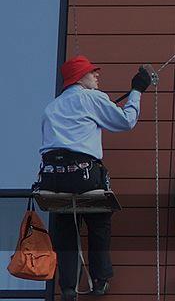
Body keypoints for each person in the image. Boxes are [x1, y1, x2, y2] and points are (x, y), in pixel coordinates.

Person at [34, 56, 152, 300]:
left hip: (52, 180)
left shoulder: (51, 108)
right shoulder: (91, 98)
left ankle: (68, 287)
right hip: (83, 177)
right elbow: (126, 121)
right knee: (99, 221)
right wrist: (137, 90)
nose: (97, 75)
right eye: (92, 72)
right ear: (79, 77)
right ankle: (100, 280)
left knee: (66, 226)